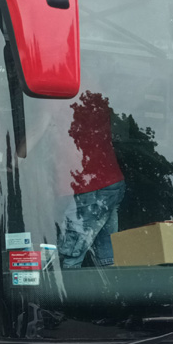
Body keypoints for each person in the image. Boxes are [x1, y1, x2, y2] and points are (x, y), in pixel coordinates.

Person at [55, 92, 126, 269]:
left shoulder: (53, 93)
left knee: (67, 260)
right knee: (106, 258)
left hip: (89, 187)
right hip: (108, 182)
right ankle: (112, 294)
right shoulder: (94, 90)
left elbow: (39, 126)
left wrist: (15, 159)